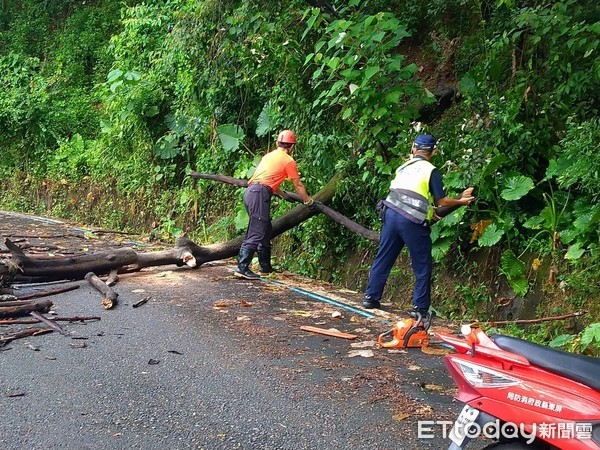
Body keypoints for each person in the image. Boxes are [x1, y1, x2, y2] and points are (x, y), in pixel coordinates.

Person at [362, 134, 475, 316]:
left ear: (413, 149)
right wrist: (461, 201)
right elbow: (442, 201)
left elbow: (413, 196)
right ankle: (420, 308)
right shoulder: (431, 170)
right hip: (411, 221)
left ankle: (370, 297)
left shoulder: (403, 167)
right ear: (433, 152)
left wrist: (431, 212)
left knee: (384, 257)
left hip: (390, 215)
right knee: (422, 264)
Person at [234, 130, 314, 280]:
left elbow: (267, 180)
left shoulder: (268, 156)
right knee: (257, 230)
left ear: (278, 143)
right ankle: (242, 267)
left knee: (264, 228)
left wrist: (283, 194)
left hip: (251, 192)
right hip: (259, 193)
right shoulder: (288, 160)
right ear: (291, 146)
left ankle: (265, 267)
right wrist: (308, 201)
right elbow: (297, 184)